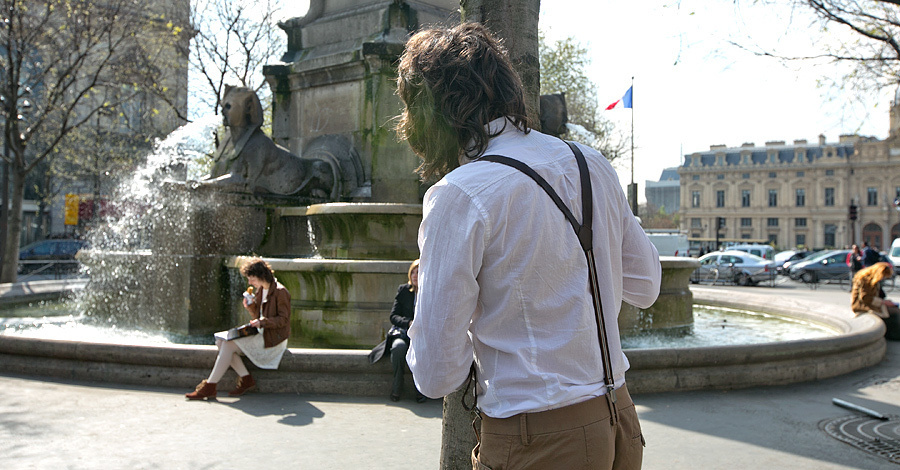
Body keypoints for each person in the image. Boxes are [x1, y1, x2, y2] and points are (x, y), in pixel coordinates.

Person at [397, 23, 662, 469]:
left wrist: (432, 290)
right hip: (619, 420)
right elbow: (646, 284)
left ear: (428, 113)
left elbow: (435, 374)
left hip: (537, 439)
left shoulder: (460, 193)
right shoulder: (589, 162)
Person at [185, 258, 292, 400]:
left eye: (251, 279)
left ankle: (210, 387)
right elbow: (258, 315)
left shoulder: (280, 291)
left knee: (228, 344)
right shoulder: (261, 290)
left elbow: (283, 320)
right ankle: (246, 380)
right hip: (263, 333)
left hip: (273, 340)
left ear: (261, 276)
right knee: (221, 342)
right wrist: (251, 306)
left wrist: (262, 322)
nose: (250, 283)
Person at [385, 260, 427, 403]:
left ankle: (420, 390)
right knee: (397, 348)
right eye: (413, 272)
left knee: (421, 350)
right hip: (404, 333)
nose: (415, 275)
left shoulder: (429, 292)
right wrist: (408, 322)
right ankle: (397, 386)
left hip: (422, 336)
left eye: (418, 272)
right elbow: (393, 316)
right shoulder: (404, 290)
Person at [851, 261, 900, 339]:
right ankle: (894, 335)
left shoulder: (868, 276)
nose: (883, 279)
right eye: (883, 276)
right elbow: (865, 298)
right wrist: (884, 302)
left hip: (867, 304)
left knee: (895, 310)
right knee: (895, 312)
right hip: (862, 306)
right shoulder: (866, 279)